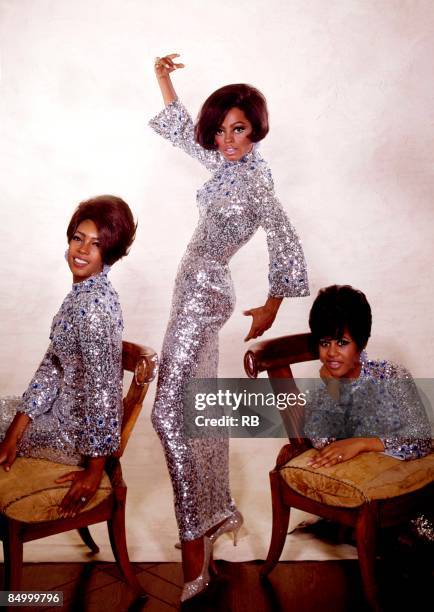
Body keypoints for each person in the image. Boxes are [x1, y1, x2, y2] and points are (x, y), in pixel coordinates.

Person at [149, 53, 309, 602]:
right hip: (186, 291)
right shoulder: (226, 164)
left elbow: (284, 235)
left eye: (237, 129)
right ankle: (209, 524)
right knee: (190, 412)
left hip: (204, 294)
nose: (226, 139)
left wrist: (273, 303)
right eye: (221, 131)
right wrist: (164, 80)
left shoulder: (256, 180)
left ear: (256, 128)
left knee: (168, 414)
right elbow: (185, 139)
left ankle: (194, 541)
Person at [0, 195, 136, 517]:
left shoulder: (93, 308)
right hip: (56, 415)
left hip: (74, 436)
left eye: (96, 244)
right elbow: (51, 369)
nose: (83, 250)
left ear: (110, 253)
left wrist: (94, 469)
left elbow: (103, 393)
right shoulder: (82, 295)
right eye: (78, 238)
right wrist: (14, 434)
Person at [303, 284, 432, 467]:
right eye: (325, 343)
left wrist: (362, 443)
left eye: (342, 342)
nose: (331, 352)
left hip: (402, 477)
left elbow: (423, 438)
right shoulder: (321, 393)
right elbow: (321, 441)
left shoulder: (392, 375)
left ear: (361, 343)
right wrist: (334, 388)